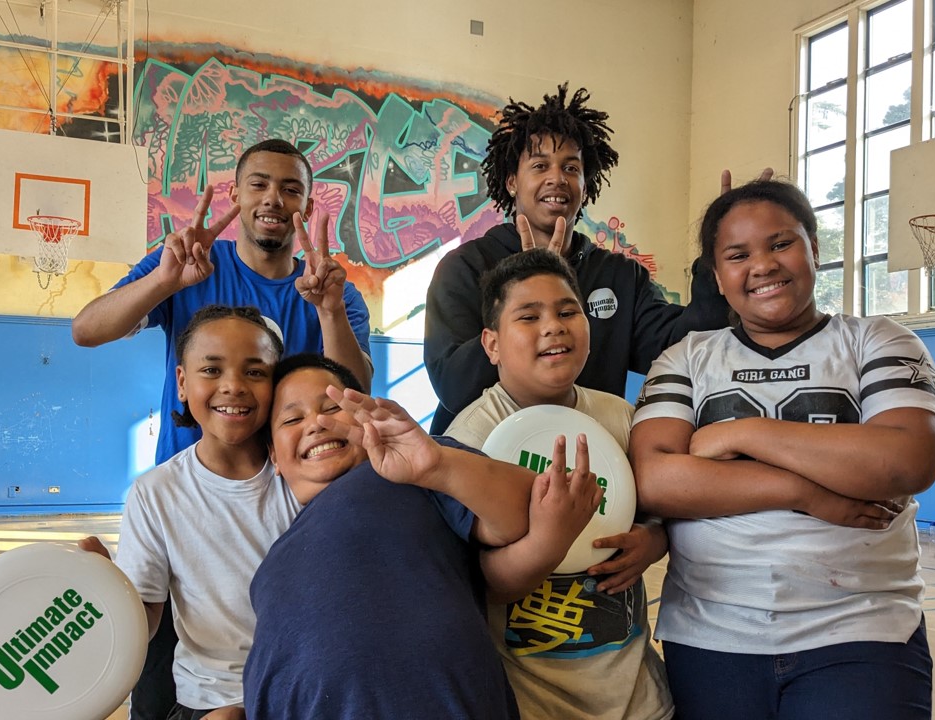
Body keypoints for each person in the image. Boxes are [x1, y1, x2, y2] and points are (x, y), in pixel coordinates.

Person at [630, 179, 935, 719]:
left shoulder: (879, 339)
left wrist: (740, 433)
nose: (763, 265)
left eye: (781, 244)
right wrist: (807, 492)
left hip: (863, 628)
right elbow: (656, 479)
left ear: (814, 249)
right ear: (717, 275)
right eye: (738, 255)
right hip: (712, 634)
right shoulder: (685, 358)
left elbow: (906, 459)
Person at [71, 138, 371, 719]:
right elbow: (86, 329)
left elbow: (356, 393)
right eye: (258, 183)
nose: (273, 199)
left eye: (291, 188)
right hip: (189, 521)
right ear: (235, 193)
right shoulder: (187, 265)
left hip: (282, 506)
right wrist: (165, 282)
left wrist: (329, 309)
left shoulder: (331, 288)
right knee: (162, 681)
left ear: (306, 207)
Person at [241, 354, 601, 719]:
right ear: (274, 456)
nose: (317, 423)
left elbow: (526, 510)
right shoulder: (272, 561)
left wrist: (436, 466)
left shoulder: (413, 471)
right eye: (291, 418)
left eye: (333, 407)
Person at [445, 248, 673, 719]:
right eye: (529, 316)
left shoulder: (621, 416)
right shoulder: (467, 440)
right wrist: (549, 538)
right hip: (534, 705)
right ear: (491, 344)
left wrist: (652, 540)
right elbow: (477, 582)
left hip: (638, 700)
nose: (554, 326)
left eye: (568, 311)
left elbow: (665, 511)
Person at [424, 83, 730, 434]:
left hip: (588, 459)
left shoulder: (620, 275)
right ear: (512, 182)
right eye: (540, 166)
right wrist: (531, 282)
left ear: (586, 184)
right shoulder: (464, 267)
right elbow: (454, 386)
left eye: (571, 168)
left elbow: (678, 349)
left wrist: (720, 259)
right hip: (486, 457)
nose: (557, 178)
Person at [83, 305, 292, 720]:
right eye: (211, 370)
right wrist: (107, 597)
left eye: (255, 372)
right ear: (181, 382)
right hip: (212, 699)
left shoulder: (301, 478)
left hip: (301, 689)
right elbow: (145, 619)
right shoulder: (156, 493)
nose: (233, 386)